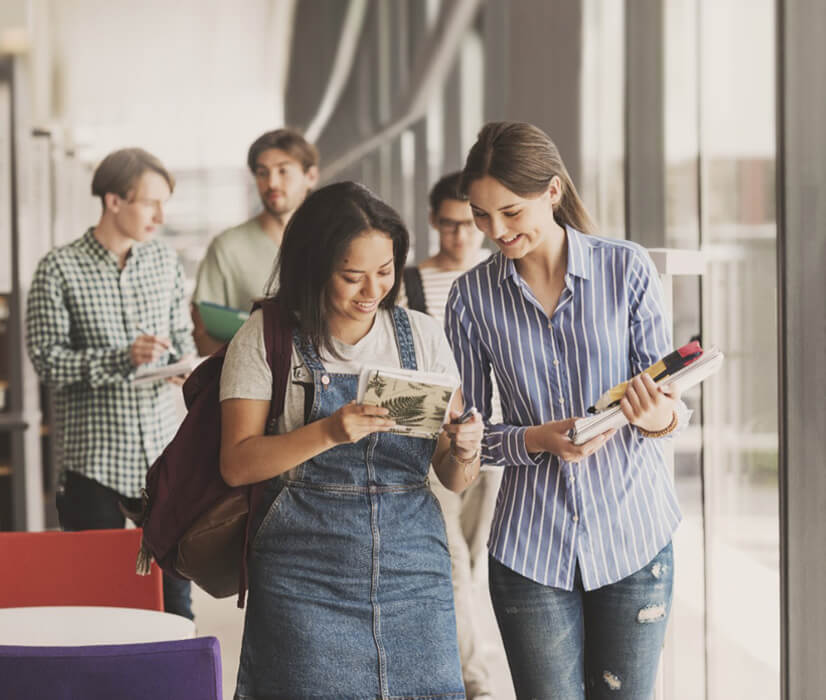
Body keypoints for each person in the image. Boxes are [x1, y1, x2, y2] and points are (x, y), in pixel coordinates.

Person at [445, 121, 689, 699]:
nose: (495, 230)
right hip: (532, 551)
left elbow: (672, 414)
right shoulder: (471, 298)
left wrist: (652, 413)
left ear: (552, 191)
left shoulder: (626, 269)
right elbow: (474, 438)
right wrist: (536, 439)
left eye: (510, 211)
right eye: (481, 215)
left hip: (635, 535)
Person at [219, 181, 483, 699]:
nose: (371, 291)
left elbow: (452, 476)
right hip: (303, 573)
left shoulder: (421, 336)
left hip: (414, 569)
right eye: (351, 276)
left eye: (384, 272)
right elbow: (236, 463)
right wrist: (328, 431)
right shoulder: (266, 338)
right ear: (314, 267)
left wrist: (466, 445)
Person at [26, 147, 196, 619]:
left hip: (163, 459)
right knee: (95, 604)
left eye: (165, 203)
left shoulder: (164, 262)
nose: (160, 216)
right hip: (93, 469)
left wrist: (183, 364)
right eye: (149, 203)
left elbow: (181, 338)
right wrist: (121, 358)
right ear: (113, 200)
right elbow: (46, 363)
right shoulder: (57, 269)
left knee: (176, 601)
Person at [398, 172, 501, 700]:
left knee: (477, 561)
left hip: (501, 443)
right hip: (437, 445)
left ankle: (456, 661)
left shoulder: (501, 278)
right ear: (434, 223)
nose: (459, 236)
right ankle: (474, 681)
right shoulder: (411, 284)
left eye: (469, 224)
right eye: (448, 224)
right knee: (452, 562)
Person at [191, 128, 319, 355]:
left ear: (310, 177)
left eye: (283, 171)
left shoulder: (333, 243)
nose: (272, 183)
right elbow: (201, 338)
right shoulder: (227, 247)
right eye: (262, 173)